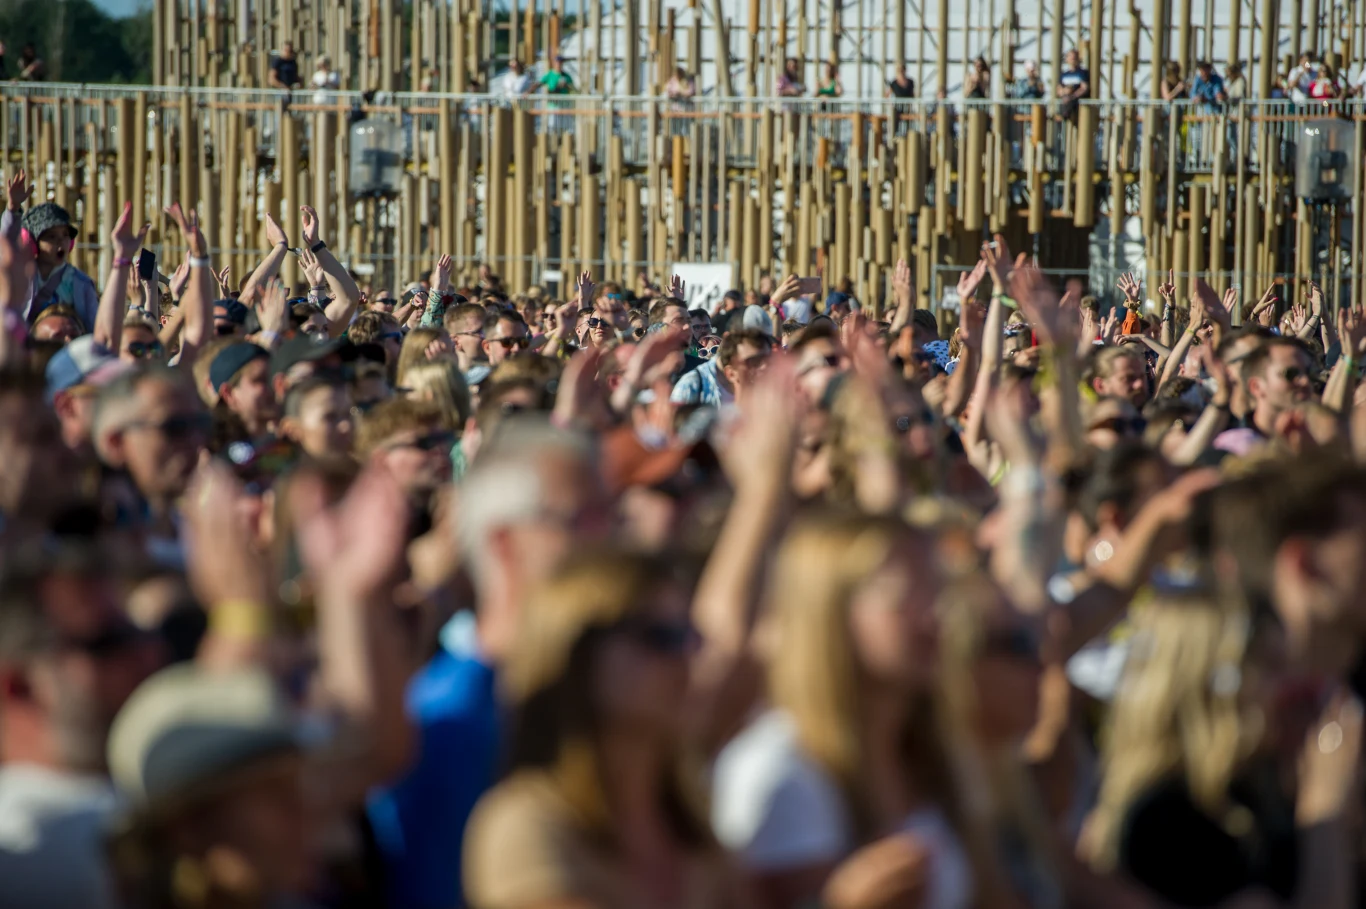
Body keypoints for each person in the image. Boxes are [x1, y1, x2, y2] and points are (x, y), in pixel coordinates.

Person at [464, 549, 747, 909]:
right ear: (577, 654)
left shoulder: (690, 824)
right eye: (661, 636)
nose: (689, 657)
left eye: (692, 635)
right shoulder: (525, 825)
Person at [0, 544, 162, 909]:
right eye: (108, 642)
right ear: (19, 686)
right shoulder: (22, 836)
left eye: (140, 633)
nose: (148, 654)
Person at [1056, 48, 1090, 119]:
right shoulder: (1064, 74)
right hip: (1066, 99)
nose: (1072, 60)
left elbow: (1084, 88)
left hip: (1076, 102)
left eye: (1074, 58)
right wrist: (1065, 92)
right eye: (1070, 57)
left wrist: (1072, 96)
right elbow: (1059, 89)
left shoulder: (1082, 73)